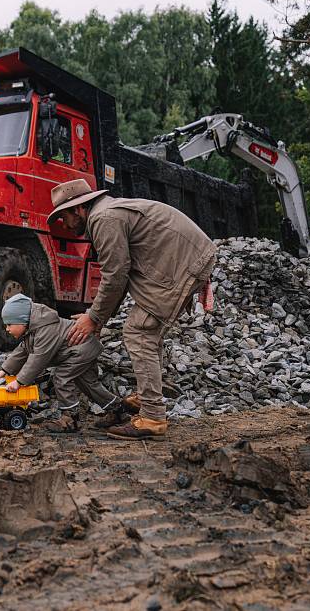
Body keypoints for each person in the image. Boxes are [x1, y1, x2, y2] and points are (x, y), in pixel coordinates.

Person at [47, 179, 217, 440]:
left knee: (139, 331)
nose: (64, 225)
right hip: (182, 259)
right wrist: (98, 318)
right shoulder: (107, 213)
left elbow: (115, 275)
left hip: (181, 263)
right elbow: (121, 274)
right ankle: (147, 397)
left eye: (64, 217)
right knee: (147, 331)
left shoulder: (103, 219)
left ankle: (152, 416)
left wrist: (93, 318)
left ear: (79, 209)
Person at [0, 293, 132, 433]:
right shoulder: (33, 329)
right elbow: (23, 350)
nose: (7, 329)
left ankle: (70, 419)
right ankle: (119, 410)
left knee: (61, 377)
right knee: (89, 384)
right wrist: (5, 370)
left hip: (81, 352)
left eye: (9, 324)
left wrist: (19, 382)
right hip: (83, 351)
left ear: (22, 320)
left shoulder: (45, 330)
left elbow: (38, 358)